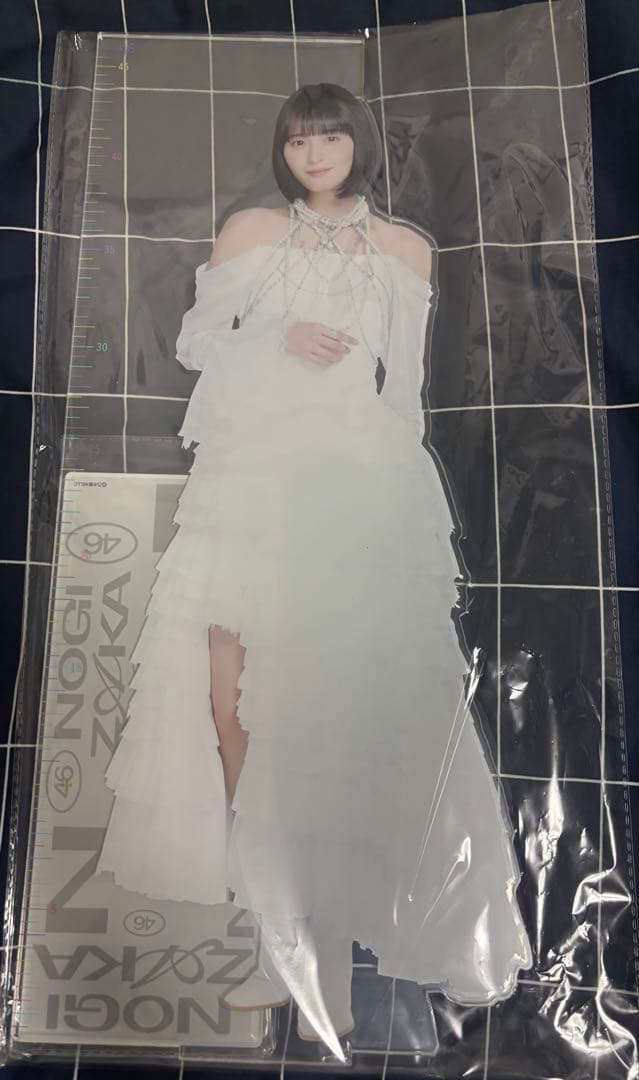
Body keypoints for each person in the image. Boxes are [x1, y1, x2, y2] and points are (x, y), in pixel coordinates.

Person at [96, 83, 531, 1052]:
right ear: (282, 152)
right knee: (230, 705)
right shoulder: (252, 231)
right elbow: (195, 342)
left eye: (331, 136)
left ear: (359, 142)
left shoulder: (405, 248)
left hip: (354, 484)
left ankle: (331, 947)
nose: (315, 153)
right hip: (252, 478)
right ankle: (280, 939)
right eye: (298, 140)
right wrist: (275, 336)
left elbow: (406, 391)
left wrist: (405, 512)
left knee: (333, 712)